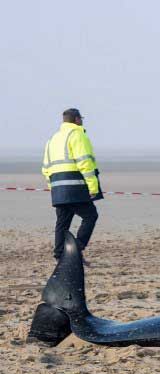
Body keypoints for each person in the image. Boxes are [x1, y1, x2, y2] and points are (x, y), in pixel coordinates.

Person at [42, 108, 102, 263]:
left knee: (62, 222)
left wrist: (53, 187)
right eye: (81, 119)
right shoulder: (77, 134)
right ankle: (76, 248)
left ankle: (60, 255)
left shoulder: (52, 139)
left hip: (58, 188)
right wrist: (93, 187)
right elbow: (85, 162)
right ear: (76, 119)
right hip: (75, 186)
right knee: (90, 216)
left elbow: (45, 168)